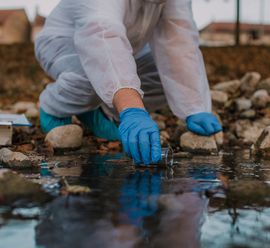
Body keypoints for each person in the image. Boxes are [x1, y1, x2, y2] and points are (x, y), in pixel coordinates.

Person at [35, 0, 222, 166]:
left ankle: (101, 111)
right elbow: (102, 38)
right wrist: (132, 109)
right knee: (92, 77)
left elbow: (178, 44)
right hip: (64, 43)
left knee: (163, 77)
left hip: (128, 48)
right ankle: (54, 107)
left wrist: (194, 107)